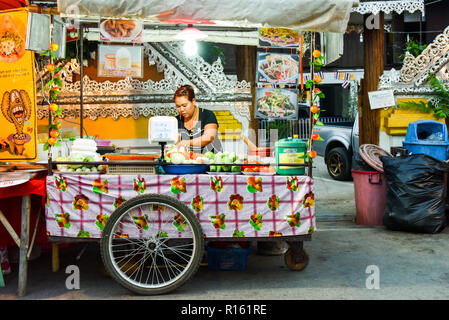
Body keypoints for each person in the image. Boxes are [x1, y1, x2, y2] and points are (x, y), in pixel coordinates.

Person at [174, 85, 223, 154]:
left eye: (184, 105)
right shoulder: (176, 121)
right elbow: (175, 143)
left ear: (193, 101)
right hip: (190, 161)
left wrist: (188, 142)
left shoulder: (207, 115)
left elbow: (209, 137)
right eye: (178, 106)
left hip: (212, 160)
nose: (181, 109)